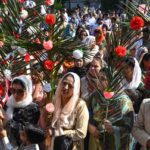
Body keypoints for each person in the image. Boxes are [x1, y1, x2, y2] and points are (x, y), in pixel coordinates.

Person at [88, 70, 134, 150]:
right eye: (98, 78)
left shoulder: (124, 101)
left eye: (102, 79)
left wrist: (114, 129)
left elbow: (130, 128)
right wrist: (90, 126)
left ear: (112, 81)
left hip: (115, 144)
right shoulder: (94, 96)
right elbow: (88, 113)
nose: (98, 81)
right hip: (96, 141)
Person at [50, 72, 89, 150]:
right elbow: (50, 123)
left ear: (76, 88)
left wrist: (59, 133)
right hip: (53, 145)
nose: (65, 87)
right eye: (64, 83)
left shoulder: (80, 105)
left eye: (70, 86)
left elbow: (81, 133)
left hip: (70, 146)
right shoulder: (55, 101)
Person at [5, 75, 40, 146]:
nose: (15, 94)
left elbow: (25, 133)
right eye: (13, 90)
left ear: (28, 90)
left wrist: (6, 120)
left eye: (20, 91)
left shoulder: (33, 108)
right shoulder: (9, 103)